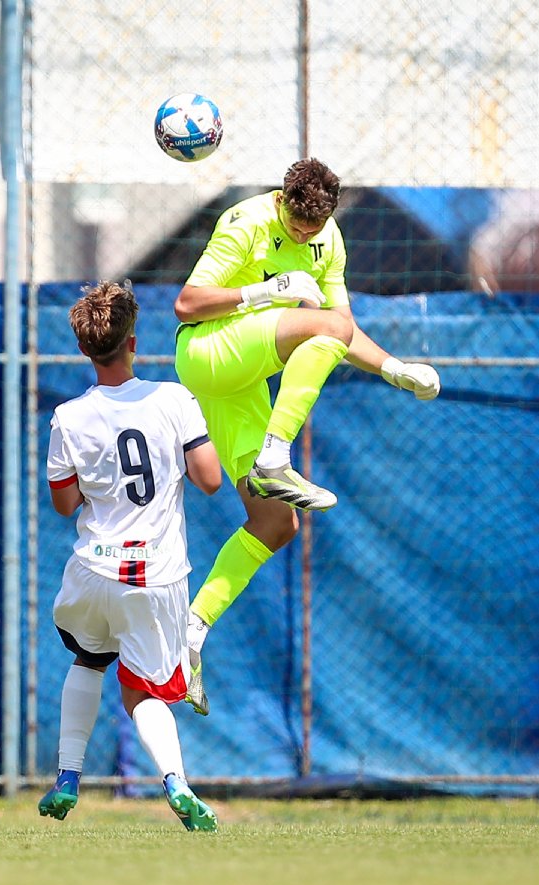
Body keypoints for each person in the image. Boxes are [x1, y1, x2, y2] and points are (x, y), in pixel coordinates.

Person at [173, 158, 442, 683]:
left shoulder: (329, 240)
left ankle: (193, 630)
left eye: (312, 229)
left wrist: (395, 369)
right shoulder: (246, 222)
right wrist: (263, 292)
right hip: (206, 351)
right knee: (324, 327)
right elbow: (186, 304)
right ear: (281, 200)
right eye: (296, 226)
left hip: (240, 380)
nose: (303, 236)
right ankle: (275, 456)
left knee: (276, 523)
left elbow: (342, 328)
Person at [38, 281, 224, 831]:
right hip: (157, 575)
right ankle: (176, 782)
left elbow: (64, 504)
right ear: (134, 343)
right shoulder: (174, 400)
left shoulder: (69, 416)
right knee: (143, 692)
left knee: (89, 658)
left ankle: (68, 776)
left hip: (94, 569)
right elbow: (210, 480)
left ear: (83, 349)